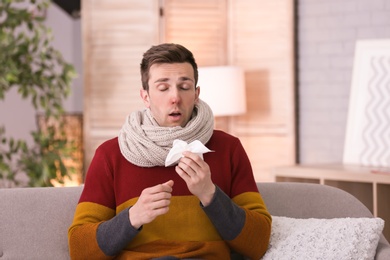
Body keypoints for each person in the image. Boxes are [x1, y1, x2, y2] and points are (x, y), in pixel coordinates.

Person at [68, 43, 271, 260]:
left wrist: (210, 195)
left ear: (196, 94)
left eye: (184, 87)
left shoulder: (228, 148)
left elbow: (258, 243)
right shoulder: (111, 155)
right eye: (163, 88)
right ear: (145, 96)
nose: (175, 97)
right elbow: (80, 250)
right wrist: (133, 217)